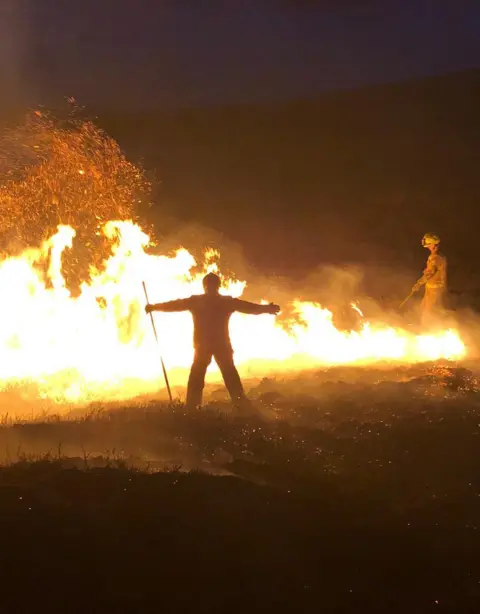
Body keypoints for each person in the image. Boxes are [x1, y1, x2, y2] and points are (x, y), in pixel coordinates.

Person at [145, 272, 280, 409]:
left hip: (203, 345)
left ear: (204, 286)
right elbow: (249, 308)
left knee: (198, 378)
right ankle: (240, 404)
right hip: (220, 345)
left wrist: (154, 307)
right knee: (229, 376)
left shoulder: (197, 301)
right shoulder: (226, 302)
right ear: (218, 286)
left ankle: (192, 407)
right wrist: (267, 309)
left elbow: (175, 305)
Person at [412, 233, 447, 325]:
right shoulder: (441, 256)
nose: (428, 247)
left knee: (428, 311)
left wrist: (418, 284)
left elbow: (429, 274)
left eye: (429, 245)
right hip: (436, 287)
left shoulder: (434, 258)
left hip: (434, 289)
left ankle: (428, 328)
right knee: (426, 307)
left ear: (433, 245)